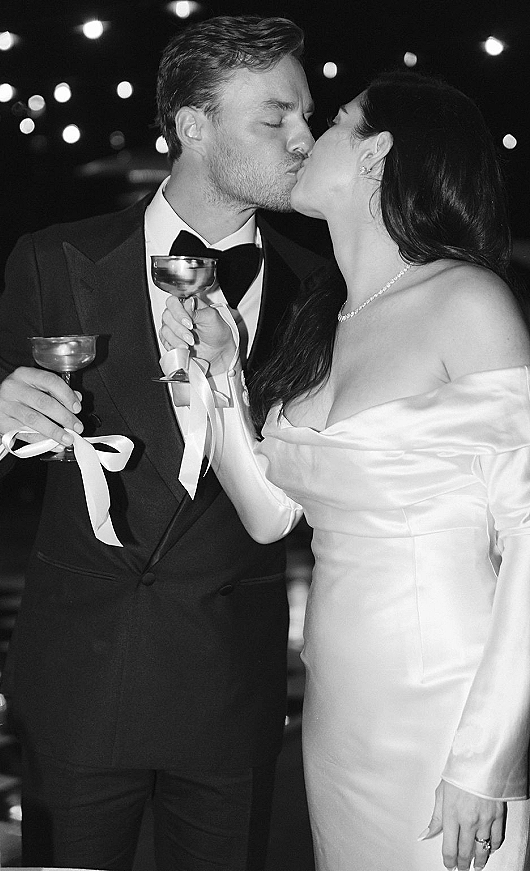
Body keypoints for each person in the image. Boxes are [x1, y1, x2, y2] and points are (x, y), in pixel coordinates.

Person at [0, 15, 340, 871]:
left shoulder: (320, 285)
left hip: (230, 683)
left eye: (306, 115)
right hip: (80, 679)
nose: (304, 139)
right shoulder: (56, 258)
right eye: (275, 117)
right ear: (193, 125)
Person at [161, 70, 530, 871]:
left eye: (330, 122)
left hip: (450, 707)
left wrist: (488, 759)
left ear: (375, 154)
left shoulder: (468, 301)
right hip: (337, 706)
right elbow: (269, 514)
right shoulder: (323, 319)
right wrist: (219, 377)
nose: (304, 139)